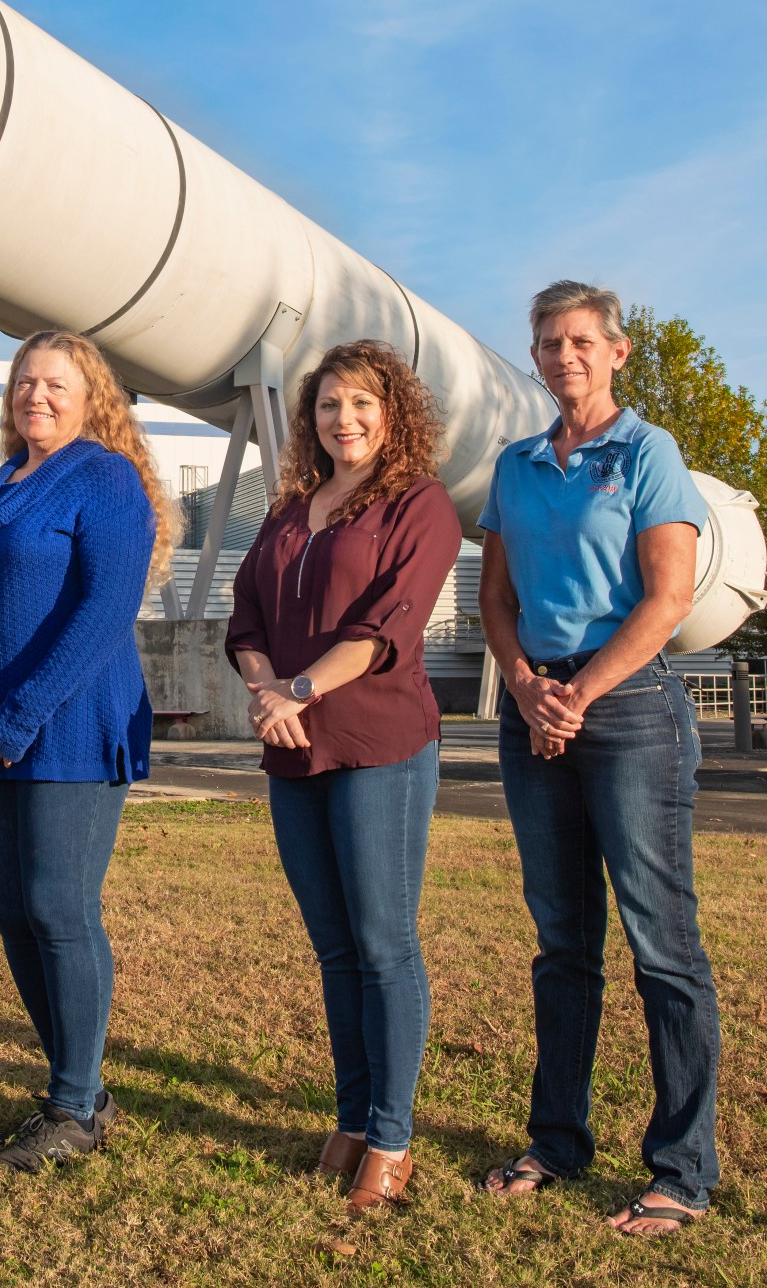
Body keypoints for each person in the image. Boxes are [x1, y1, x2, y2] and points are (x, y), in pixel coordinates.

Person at [477, 281, 719, 1239]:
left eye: (581, 339)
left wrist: (576, 695)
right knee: (563, 943)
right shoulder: (519, 465)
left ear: (617, 352)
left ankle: (682, 1169)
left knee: (662, 944)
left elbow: (666, 599)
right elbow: (496, 600)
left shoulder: (649, 453)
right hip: (537, 710)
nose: (563, 354)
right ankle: (557, 1141)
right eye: (547, 342)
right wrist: (527, 684)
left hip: (628, 711)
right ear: (534, 357)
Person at [225, 341, 461, 1217]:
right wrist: (265, 692)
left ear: (392, 412)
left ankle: (393, 1138)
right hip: (290, 746)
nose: (344, 420)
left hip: (377, 744)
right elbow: (247, 613)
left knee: (383, 941)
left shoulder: (420, 505)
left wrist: (298, 689)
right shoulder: (291, 508)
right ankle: (354, 1117)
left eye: (362, 403)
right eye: (328, 405)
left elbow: (387, 624)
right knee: (334, 947)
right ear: (310, 419)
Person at [0, 330, 169, 1172]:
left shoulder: (105, 478)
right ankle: (81, 1080)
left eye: (56, 384)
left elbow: (105, 611)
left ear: (90, 395)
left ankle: (74, 1103)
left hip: (70, 722)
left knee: (58, 907)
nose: (37, 395)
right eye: (25, 382)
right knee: (8, 907)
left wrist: (19, 714)